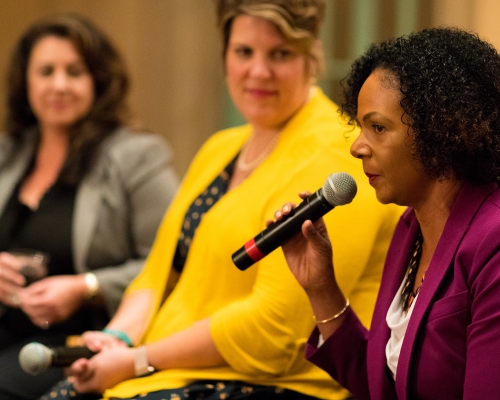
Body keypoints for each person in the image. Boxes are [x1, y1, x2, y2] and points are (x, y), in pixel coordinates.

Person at [44, 1, 402, 399]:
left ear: (311, 55)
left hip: (275, 383)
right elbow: (159, 272)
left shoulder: (336, 152)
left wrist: (136, 359)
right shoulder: (220, 147)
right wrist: (117, 337)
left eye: (280, 54)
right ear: (225, 56)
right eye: (244, 52)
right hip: (169, 368)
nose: (258, 71)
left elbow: (275, 333)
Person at [277, 27, 500, 399]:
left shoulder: (492, 242)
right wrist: (321, 288)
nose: (357, 147)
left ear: (440, 131)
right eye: (360, 126)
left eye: (378, 127)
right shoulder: (410, 228)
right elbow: (381, 386)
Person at [0, 13, 179, 400]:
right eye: (46, 71)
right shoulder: (7, 153)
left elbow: (170, 262)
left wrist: (87, 287)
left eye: (75, 71)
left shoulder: (137, 157)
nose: (59, 84)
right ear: (25, 82)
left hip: (80, 340)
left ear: (98, 81)